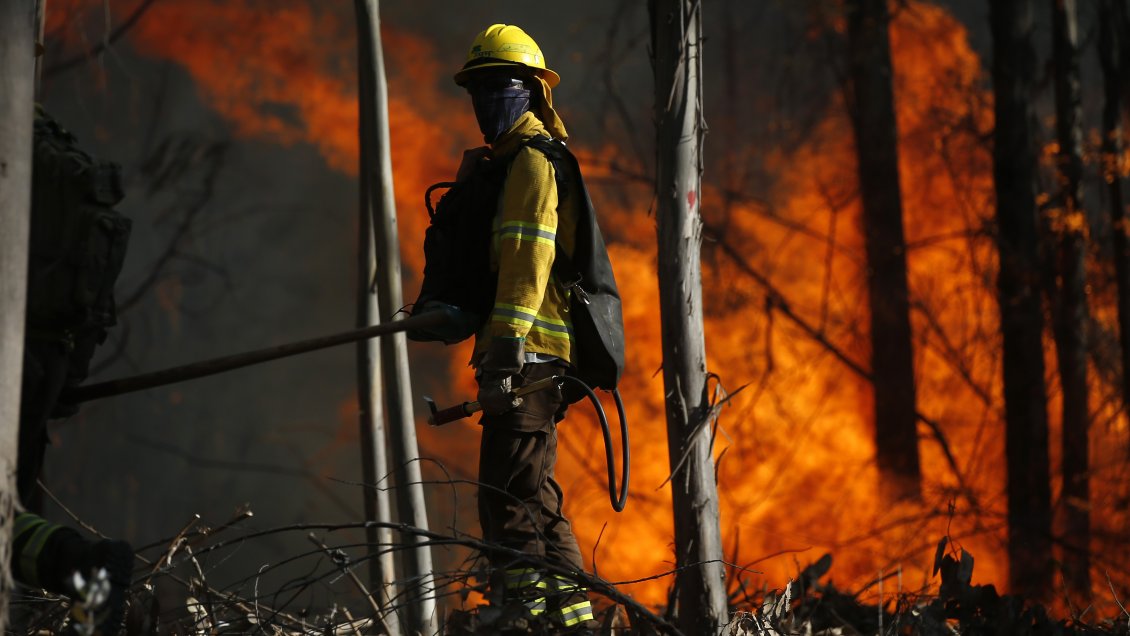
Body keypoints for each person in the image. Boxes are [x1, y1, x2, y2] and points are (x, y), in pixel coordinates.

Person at [452, 23, 598, 632]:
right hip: (532, 357)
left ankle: (524, 615)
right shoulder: (510, 164)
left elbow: (527, 262)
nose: (487, 100)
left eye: (499, 86)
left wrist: (505, 355)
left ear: (534, 91)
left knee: (507, 497)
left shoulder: (534, 163)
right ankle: (573, 620)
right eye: (478, 88)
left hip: (528, 358)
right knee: (535, 495)